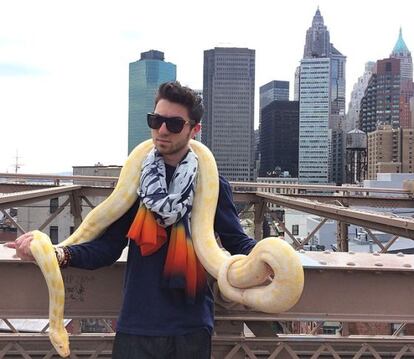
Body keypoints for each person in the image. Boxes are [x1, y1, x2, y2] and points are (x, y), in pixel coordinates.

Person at [6, 81, 257, 358]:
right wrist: (56, 254)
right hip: (138, 326)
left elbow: (236, 241)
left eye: (173, 124)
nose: (162, 130)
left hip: (191, 328)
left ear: (194, 129)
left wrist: (270, 259)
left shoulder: (210, 183)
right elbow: (108, 246)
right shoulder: (137, 181)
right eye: (156, 120)